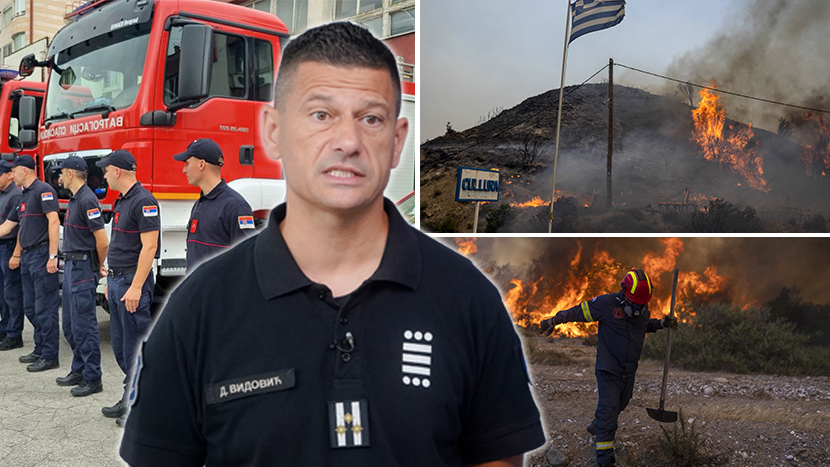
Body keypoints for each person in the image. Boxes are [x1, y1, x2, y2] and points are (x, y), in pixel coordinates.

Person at [121, 22, 545, 467]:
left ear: (397, 142)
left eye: (371, 118)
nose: (348, 142)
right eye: (321, 114)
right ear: (273, 131)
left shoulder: (468, 300)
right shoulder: (198, 309)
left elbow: (496, 459)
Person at [539, 268, 678, 467]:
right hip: (609, 371)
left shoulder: (640, 311)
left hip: (629, 372)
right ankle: (605, 460)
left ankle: (597, 425)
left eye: (642, 304)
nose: (638, 309)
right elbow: (576, 312)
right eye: (635, 304)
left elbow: (642, 325)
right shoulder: (605, 305)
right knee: (610, 413)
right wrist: (552, 321)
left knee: (620, 404)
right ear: (624, 295)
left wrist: (662, 323)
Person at [94, 150, 159, 425]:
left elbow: (150, 247)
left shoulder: (144, 201)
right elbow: (119, 244)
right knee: (121, 348)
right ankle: (129, 396)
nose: (104, 175)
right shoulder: (123, 201)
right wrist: (109, 281)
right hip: (117, 281)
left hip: (132, 283)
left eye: (106, 170)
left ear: (117, 171)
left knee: (135, 348)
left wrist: (135, 287)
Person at [0, 155, 61, 372]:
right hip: (26, 256)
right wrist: (17, 255)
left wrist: (53, 256)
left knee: (45, 307)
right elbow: (9, 226)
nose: (11, 174)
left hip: (41, 254)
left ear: (25, 171)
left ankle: (49, 355)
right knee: (31, 306)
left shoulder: (43, 190)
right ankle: (39, 348)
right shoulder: (24, 196)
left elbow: (54, 221)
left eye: (14, 170)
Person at [54, 155, 108, 397]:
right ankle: (78, 369)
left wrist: (98, 266)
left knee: (85, 325)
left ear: (72, 173)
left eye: (62, 172)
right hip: (72, 268)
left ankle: (92, 377)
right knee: (70, 325)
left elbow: (102, 241)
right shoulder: (76, 199)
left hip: (83, 268)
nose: (59, 177)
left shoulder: (87, 200)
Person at [173, 138, 255, 272]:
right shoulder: (199, 204)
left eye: (187, 164)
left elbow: (246, 260)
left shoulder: (236, 206)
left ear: (201, 164)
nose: (184, 170)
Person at [0, 160, 24, 351]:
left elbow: (19, 229)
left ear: (9, 175)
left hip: (9, 246)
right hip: (1, 246)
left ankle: (14, 334)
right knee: (2, 292)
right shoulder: (2, 194)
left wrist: (16, 254)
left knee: (12, 293)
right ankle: (5, 327)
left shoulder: (16, 196)